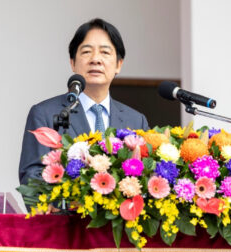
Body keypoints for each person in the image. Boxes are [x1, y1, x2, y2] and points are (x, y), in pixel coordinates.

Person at [18, 18, 149, 185]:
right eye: (86, 52)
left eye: (105, 52)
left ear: (119, 65)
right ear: (72, 62)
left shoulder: (136, 121)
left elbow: (145, 179)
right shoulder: (45, 114)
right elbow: (32, 177)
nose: (95, 59)